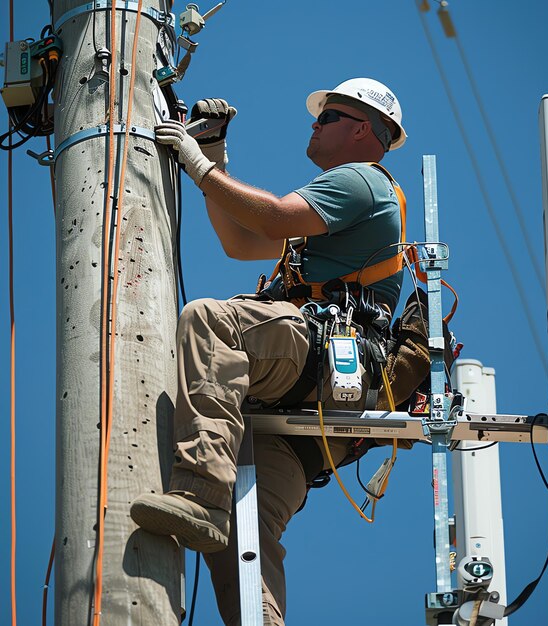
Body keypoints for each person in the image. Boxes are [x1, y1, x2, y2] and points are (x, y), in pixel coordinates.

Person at [130, 78, 408, 625]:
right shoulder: (337, 216)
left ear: (361, 129)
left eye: (326, 117)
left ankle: (200, 488)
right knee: (240, 530)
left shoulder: (361, 181)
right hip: (310, 408)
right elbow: (242, 240)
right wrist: (212, 153)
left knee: (211, 321)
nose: (313, 125)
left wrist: (197, 164)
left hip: (326, 356)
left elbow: (275, 216)